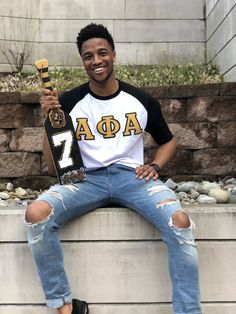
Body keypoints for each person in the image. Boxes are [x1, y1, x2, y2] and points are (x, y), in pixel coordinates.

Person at [25, 23, 202, 314]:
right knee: (35, 215)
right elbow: (52, 161)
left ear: (114, 55)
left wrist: (154, 165)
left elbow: (169, 142)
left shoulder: (140, 100)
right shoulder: (68, 102)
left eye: (102, 53)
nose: (96, 61)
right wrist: (49, 118)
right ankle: (65, 307)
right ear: (82, 61)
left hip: (132, 178)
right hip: (85, 179)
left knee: (179, 222)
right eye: (88, 56)